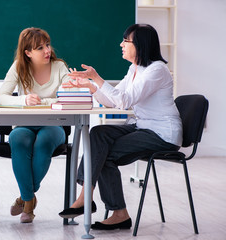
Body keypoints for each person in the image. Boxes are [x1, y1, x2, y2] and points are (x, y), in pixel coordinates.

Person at [58, 24, 182, 230]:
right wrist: (91, 87)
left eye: (126, 40)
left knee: (103, 153)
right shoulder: (135, 69)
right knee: (98, 133)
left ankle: (114, 211)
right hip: (143, 126)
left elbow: (124, 101)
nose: (121, 44)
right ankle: (88, 197)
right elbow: (112, 101)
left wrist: (96, 78)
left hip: (162, 133)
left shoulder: (157, 70)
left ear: (140, 45)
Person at [0, 27, 72, 223]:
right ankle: (30, 199)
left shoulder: (59, 67)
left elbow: (66, 99)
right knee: (17, 138)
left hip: (54, 126)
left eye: (47, 45)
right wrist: (23, 100)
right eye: (40, 48)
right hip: (25, 124)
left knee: (44, 141)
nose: (47, 50)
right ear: (27, 53)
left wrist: (43, 102)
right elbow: (1, 97)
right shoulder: (18, 67)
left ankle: (25, 198)